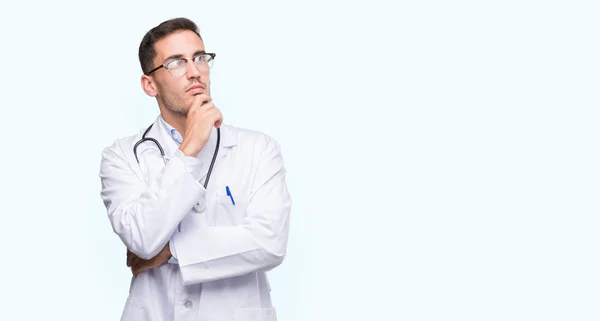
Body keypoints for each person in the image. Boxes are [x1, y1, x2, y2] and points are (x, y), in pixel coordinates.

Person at [99, 17, 291, 321]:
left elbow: (270, 243)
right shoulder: (121, 156)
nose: (194, 72)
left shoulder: (259, 149)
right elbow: (142, 239)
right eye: (176, 62)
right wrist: (189, 148)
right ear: (150, 84)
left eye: (200, 58)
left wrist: (170, 251)